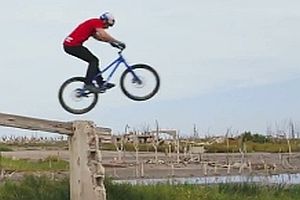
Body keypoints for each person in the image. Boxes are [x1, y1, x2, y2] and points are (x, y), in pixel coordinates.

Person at [63, 12, 126, 93]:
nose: (107, 28)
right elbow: (103, 35)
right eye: (108, 25)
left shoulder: (93, 24)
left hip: (71, 45)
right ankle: (88, 84)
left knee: (94, 60)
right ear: (105, 21)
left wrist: (111, 43)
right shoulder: (96, 22)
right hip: (72, 45)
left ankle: (100, 82)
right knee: (94, 60)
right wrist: (117, 41)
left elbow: (99, 37)